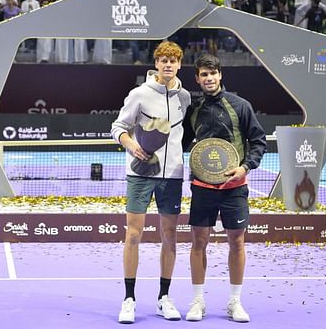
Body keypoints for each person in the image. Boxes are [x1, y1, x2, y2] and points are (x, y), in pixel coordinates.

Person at [111, 41, 191, 324]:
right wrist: (131, 145)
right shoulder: (139, 94)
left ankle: (163, 298)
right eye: (163, 60)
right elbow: (118, 127)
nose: (168, 64)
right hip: (140, 174)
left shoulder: (185, 98)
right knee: (134, 234)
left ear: (180, 64)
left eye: (173, 60)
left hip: (172, 176)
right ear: (156, 64)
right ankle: (129, 298)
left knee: (170, 237)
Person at [182, 54, 266, 323]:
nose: (209, 78)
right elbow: (181, 143)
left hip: (235, 187)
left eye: (213, 73)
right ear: (197, 78)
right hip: (202, 186)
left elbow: (258, 141)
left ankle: (235, 302)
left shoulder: (240, 106)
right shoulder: (193, 109)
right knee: (198, 242)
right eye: (203, 75)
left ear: (220, 75)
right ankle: (198, 301)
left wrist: (245, 167)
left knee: (237, 242)